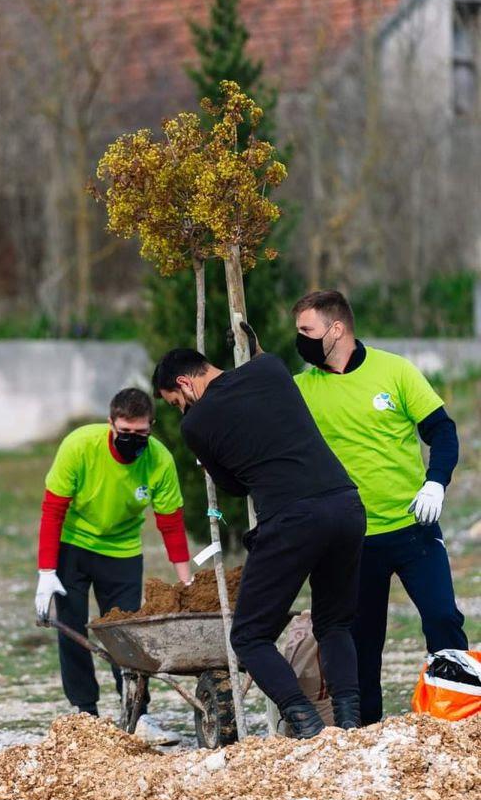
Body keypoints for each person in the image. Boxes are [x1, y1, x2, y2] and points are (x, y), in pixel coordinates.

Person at [152, 348, 367, 739]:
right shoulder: (270, 368)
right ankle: (350, 723)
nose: (182, 410)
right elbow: (262, 365)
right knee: (335, 622)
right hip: (346, 504)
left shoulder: (196, 424)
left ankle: (306, 723)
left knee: (249, 636)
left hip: (292, 519)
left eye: (177, 403)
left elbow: (234, 487)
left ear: (184, 382)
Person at [288, 290, 468, 725]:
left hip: (413, 528)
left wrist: (436, 483)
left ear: (336, 330)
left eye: (306, 331)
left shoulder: (396, 371)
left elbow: (442, 432)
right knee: (363, 643)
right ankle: (367, 735)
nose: (300, 341)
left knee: (444, 619)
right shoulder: (302, 390)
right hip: (352, 539)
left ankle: (458, 721)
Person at [34, 387, 192, 744]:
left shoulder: (159, 460)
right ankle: (85, 712)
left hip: (121, 551)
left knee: (125, 634)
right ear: (110, 423)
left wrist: (186, 583)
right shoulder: (79, 447)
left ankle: (138, 715)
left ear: (151, 427)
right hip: (73, 546)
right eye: (125, 432)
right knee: (72, 628)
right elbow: (53, 509)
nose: (133, 440)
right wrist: (46, 572)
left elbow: (170, 523)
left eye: (141, 434)